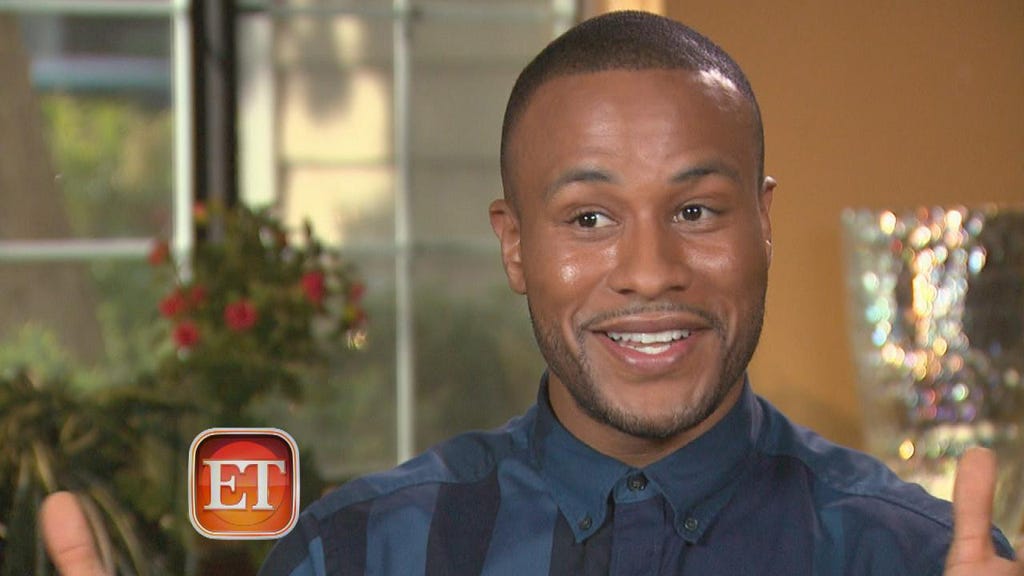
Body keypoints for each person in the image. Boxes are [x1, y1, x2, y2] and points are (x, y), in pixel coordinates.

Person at [40, 10, 1021, 576]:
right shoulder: (363, 553)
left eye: (696, 211)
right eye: (589, 218)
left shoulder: (918, 557)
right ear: (514, 246)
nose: (649, 271)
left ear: (762, 223)